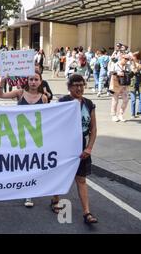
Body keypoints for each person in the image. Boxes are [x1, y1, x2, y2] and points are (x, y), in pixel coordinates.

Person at [0, 71, 48, 208]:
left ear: (40, 81)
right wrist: (3, 81)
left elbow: (48, 117)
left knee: (31, 164)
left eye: (36, 79)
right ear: (27, 80)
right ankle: (18, 185)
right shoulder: (19, 93)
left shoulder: (43, 98)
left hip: (35, 136)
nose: (33, 82)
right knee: (21, 163)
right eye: (31, 79)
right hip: (19, 135)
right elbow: (0, 95)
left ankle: (28, 193)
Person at [53, 74, 98, 224]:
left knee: (81, 179)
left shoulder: (89, 104)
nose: (79, 88)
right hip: (65, 146)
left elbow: (93, 128)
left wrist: (89, 148)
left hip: (82, 147)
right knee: (61, 175)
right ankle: (55, 199)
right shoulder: (63, 102)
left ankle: (87, 213)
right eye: (75, 85)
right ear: (69, 87)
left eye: (81, 85)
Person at [109, 55, 131, 122]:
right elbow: (110, 72)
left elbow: (130, 73)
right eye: (125, 59)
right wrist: (117, 73)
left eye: (128, 59)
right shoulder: (115, 65)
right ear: (121, 58)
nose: (126, 60)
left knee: (126, 100)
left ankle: (121, 114)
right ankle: (113, 115)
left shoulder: (127, 66)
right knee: (115, 100)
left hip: (124, 85)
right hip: (116, 84)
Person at [129, 51, 141, 119]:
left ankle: (139, 111)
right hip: (132, 83)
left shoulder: (139, 64)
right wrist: (133, 62)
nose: (132, 57)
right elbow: (134, 70)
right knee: (133, 99)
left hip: (140, 83)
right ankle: (132, 113)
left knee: (140, 98)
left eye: (133, 56)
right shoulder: (130, 64)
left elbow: (137, 69)